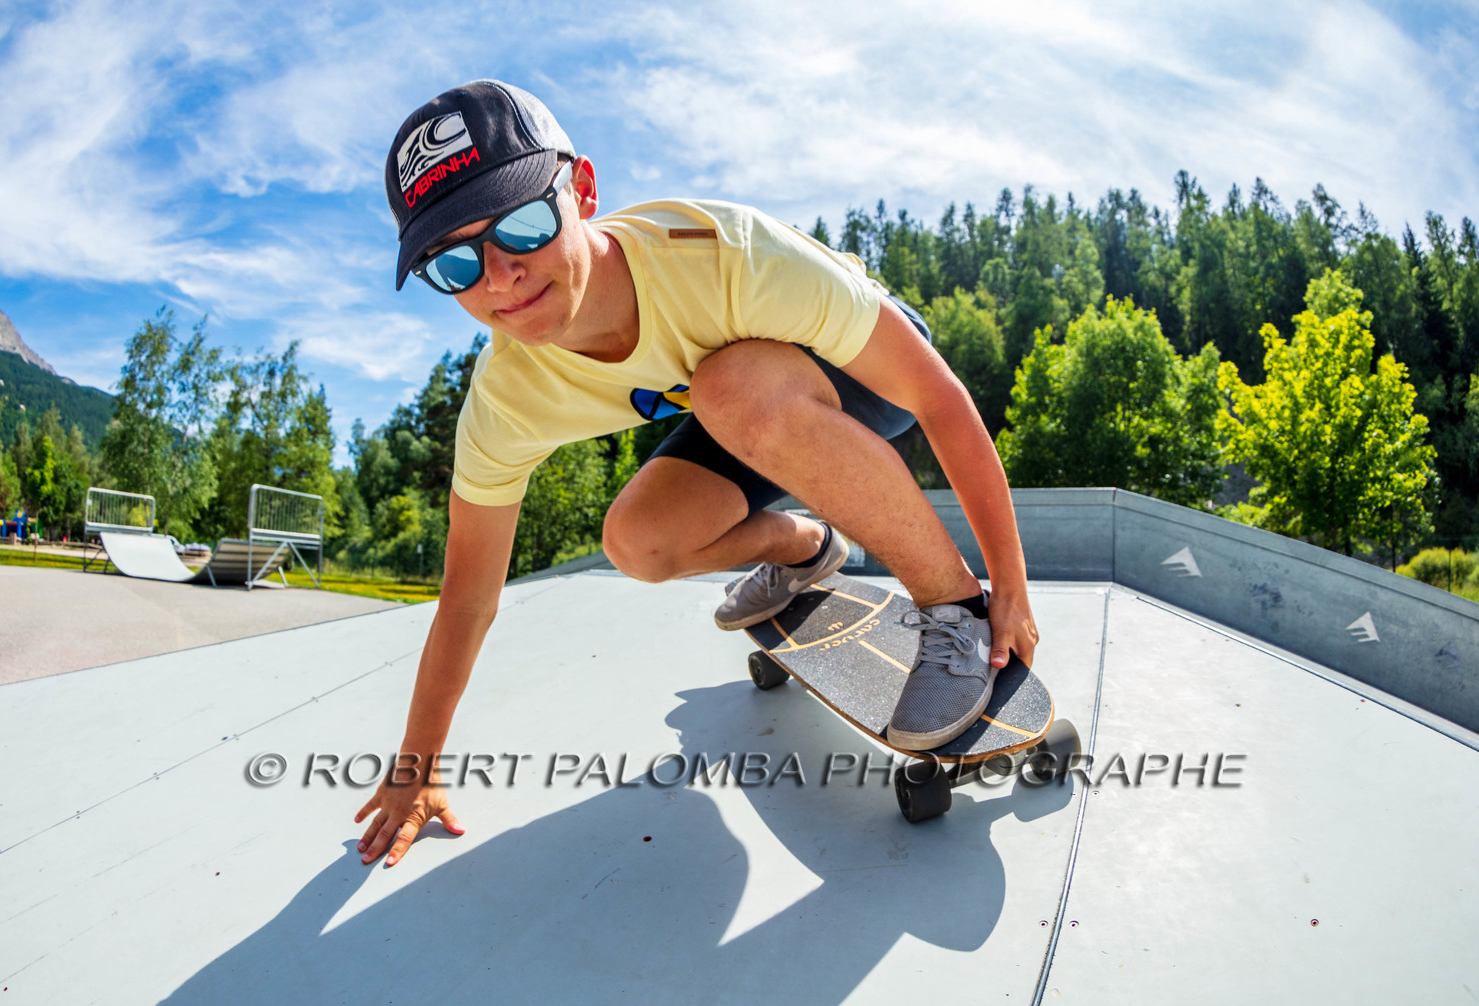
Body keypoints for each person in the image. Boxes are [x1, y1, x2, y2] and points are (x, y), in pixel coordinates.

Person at [356, 80, 1039, 867]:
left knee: (728, 388)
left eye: (523, 225)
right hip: (743, 410)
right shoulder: (507, 399)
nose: (500, 277)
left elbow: (937, 395)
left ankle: (952, 612)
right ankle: (800, 549)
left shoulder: (725, 259)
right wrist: (416, 766)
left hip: (869, 377)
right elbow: (467, 597)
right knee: (637, 542)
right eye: (455, 264)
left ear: (580, 189)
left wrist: (1005, 586)